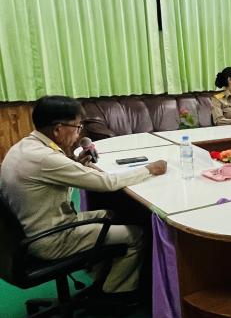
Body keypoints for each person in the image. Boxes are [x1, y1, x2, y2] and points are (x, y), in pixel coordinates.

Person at [0, 96, 167, 301]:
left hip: (28, 231)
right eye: (77, 126)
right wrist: (149, 169)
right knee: (137, 235)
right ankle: (114, 295)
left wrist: (75, 165)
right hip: (51, 238)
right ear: (58, 129)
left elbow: (51, 175)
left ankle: (100, 276)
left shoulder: (24, 147)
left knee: (113, 214)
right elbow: (107, 183)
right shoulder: (45, 158)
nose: (79, 133)